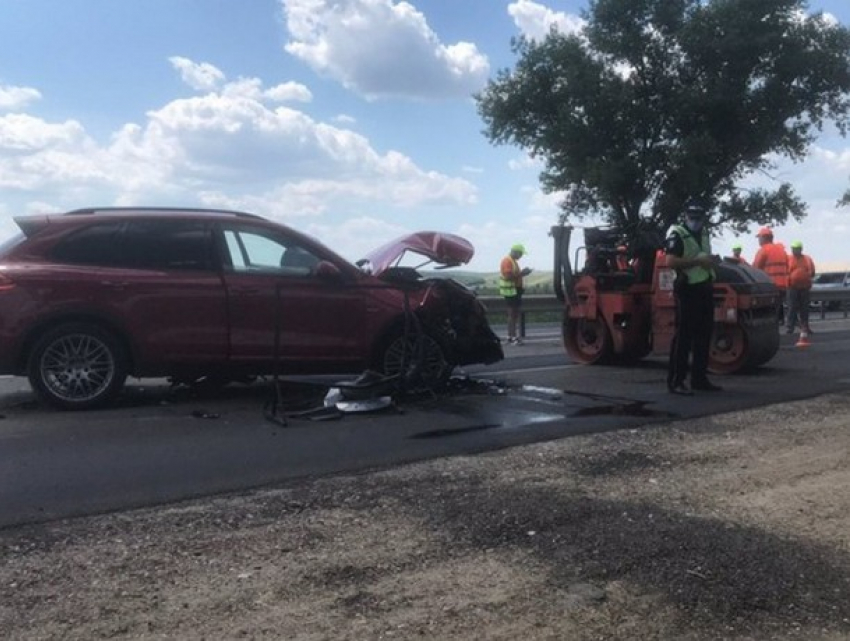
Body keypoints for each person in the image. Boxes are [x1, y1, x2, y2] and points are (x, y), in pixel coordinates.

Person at [664, 200, 723, 395]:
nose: (696, 222)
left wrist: (711, 261)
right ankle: (677, 380)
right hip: (687, 288)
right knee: (684, 336)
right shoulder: (678, 234)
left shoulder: (704, 233)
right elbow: (670, 261)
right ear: (686, 217)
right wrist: (697, 261)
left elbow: (703, 256)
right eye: (692, 218)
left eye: (699, 218)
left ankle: (699, 378)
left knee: (703, 334)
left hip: (704, 285)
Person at [752, 227, 789, 323]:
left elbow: (755, 270)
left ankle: (771, 331)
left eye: (759, 237)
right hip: (782, 286)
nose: (758, 240)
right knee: (776, 309)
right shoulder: (781, 250)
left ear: (765, 238)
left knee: (767, 311)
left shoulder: (763, 250)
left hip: (769, 286)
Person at [499, 243, 532, 345]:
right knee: (512, 314)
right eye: (520, 253)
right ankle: (512, 337)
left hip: (515, 291)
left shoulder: (512, 261)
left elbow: (514, 276)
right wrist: (523, 273)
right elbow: (508, 276)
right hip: (511, 292)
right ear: (515, 252)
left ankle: (511, 336)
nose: (521, 256)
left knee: (514, 315)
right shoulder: (507, 261)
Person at [786, 240, 816, 335]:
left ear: (800, 249)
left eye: (796, 249)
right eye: (793, 248)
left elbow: (813, 272)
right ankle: (790, 328)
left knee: (804, 309)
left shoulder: (807, 259)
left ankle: (805, 327)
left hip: (804, 288)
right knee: (791, 308)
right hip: (792, 288)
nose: (794, 250)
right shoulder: (788, 259)